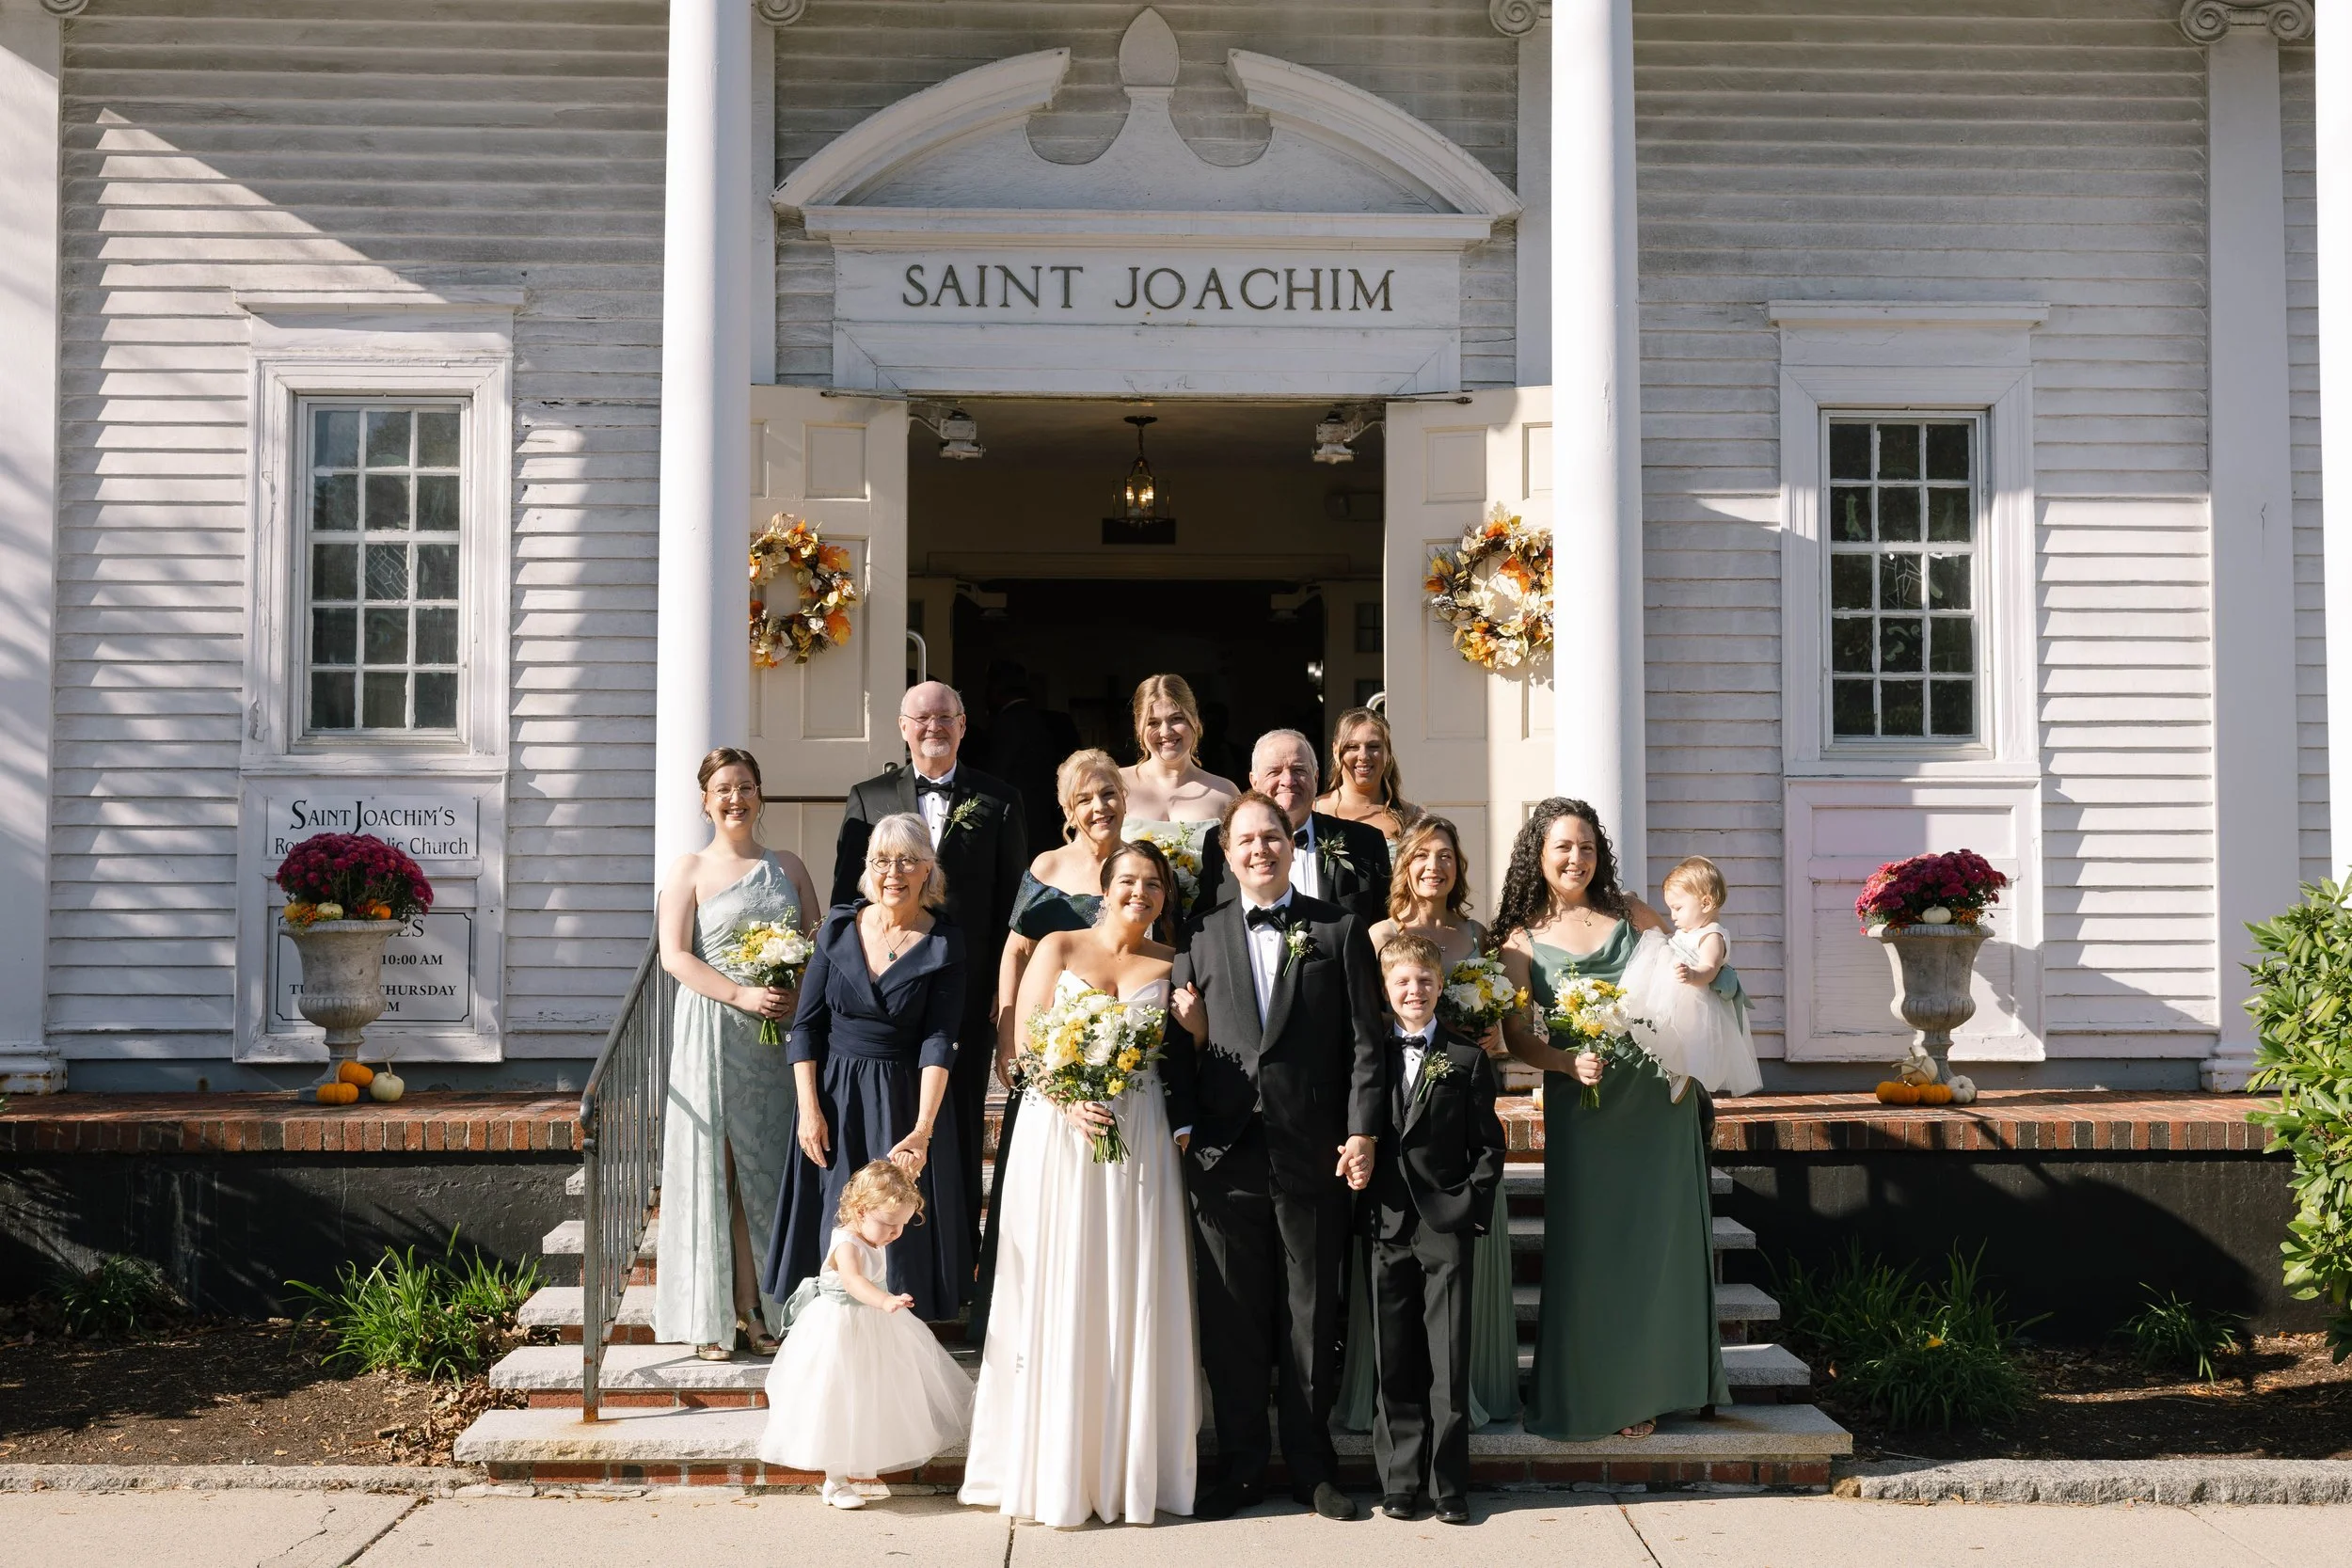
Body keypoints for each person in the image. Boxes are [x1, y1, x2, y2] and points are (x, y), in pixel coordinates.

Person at [960, 840, 1198, 1526]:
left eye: (1154, 884)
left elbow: (1193, 1051)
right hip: (1060, 1133)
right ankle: (1052, 1465)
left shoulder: (1170, 962)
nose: (1141, 893)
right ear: (1105, 884)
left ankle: (1125, 1467)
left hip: (1140, 1131)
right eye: (1129, 880)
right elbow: (1026, 1048)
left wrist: (1195, 1022)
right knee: (1060, 1280)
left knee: (1132, 1283)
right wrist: (1068, 1100)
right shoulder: (1058, 946)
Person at [1165, 791, 1384, 1521]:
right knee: (1231, 1321)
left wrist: (1361, 1130)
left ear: (1294, 846)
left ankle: (1312, 1467)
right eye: (1247, 840)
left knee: (1310, 1313)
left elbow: (1364, 1043)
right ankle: (1242, 1465)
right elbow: (1174, 1051)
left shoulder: (1339, 928)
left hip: (1312, 1150)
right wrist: (1186, 1126)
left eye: (1274, 837)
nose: (1261, 848)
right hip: (1223, 1155)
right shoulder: (1198, 935)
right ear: (1226, 854)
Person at [1494, 800, 1727, 1441]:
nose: (1577, 858)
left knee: (1657, 1241)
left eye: (1588, 847)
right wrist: (1566, 1063)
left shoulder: (1630, 910)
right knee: (1593, 1249)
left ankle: (1662, 1382)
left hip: (1658, 1100)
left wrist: (1694, 1040)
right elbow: (1516, 1036)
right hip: (1586, 1103)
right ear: (1538, 854)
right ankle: (1605, 1388)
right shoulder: (1520, 941)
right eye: (1564, 846)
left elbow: (1694, 970)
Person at [832, 681, 1026, 1263]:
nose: (933, 726)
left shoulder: (1001, 799)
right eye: (922, 717)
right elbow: (848, 901)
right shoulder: (867, 798)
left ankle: (952, 1264)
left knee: (957, 1125)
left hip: (963, 995)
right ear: (902, 726)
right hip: (887, 1000)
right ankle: (871, 1262)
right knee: (888, 1126)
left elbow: (1015, 907)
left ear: (964, 726)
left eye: (946, 716)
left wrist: (1001, 988)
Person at [1340, 816, 1518, 1428]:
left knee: (1456, 1281)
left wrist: (1489, 1033)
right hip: (1394, 1117)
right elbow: (1361, 1026)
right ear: (1405, 864)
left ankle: (1465, 1395)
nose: (1433, 867)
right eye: (1422, 856)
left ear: (1457, 867)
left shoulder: (1475, 934)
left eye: (1445, 856)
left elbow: (1498, 1032)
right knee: (1392, 1292)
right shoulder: (1378, 932)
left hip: (1457, 1125)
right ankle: (1388, 1404)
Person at [767, 813, 971, 1322]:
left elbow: (939, 1040)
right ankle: (828, 1330)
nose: (892, 872)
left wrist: (922, 1130)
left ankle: (893, 1334)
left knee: (892, 1223)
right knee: (837, 1217)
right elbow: (806, 1026)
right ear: (867, 868)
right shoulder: (838, 928)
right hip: (835, 1098)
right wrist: (809, 1109)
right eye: (881, 860)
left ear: (929, 870)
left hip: (903, 1100)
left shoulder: (946, 944)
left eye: (906, 860)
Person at [653, 747, 822, 1361]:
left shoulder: (789, 866)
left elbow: (814, 945)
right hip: (714, 1029)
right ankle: (710, 1314)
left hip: (774, 1041)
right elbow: (675, 955)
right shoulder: (689, 869)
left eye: (745, 786)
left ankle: (759, 1308)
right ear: (705, 799)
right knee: (715, 1171)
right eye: (723, 788)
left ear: (760, 794)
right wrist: (741, 993)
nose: (735, 798)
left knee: (765, 1174)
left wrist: (793, 995)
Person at [970, 750, 1127, 1343]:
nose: (1098, 807)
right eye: (1084, 798)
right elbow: (1014, 951)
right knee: (1035, 1191)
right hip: (1051, 1051)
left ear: (1124, 797)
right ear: (1067, 808)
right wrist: (1009, 1033)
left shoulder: (1143, 866)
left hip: (1121, 1053)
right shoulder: (1047, 865)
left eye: (1108, 793)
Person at [1361, 933, 1504, 1526]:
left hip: (1444, 1223)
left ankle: (1449, 1487)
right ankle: (1398, 1482)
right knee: (1394, 1359)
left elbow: (1489, 1148)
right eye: (1402, 982)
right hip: (1386, 1220)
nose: (1414, 991)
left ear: (1440, 984)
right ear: (1386, 988)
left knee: (1447, 1359)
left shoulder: (1467, 1059)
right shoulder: (1368, 1056)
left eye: (1424, 980)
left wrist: (1471, 1206)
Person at [756, 1160, 973, 1510]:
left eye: (901, 1226)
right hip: (839, 1328)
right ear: (860, 1210)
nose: (894, 1234)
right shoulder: (846, 1242)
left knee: (873, 1394)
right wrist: (885, 1300)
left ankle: (864, 1459)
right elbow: (855, 1282)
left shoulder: (874, 1232)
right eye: (889, 1225)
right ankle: (835, 1480)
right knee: (837, 1397)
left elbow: (888, 1179)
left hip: (872, 1329)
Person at [1195, 729, 1391, 922]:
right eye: (1275, 772)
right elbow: (1205, 923)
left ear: (1315, 778)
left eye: (1299, 770)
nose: (1288, 781)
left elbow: (1386, 922)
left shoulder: (1364, 842)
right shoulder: (1221, 842)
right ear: (1254, 782)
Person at [1620, 855, 1764, 1099]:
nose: (1673, 916)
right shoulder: (1688, 931)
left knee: (1687, 1043)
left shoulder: (1712, 935)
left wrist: (1693, 974)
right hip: (1673, 994)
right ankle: (1665, 1070)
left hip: (1694, 1000)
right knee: (1663, 1034)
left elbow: (1710, 967)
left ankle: (1683, 1076)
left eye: (1678, 908)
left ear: (1705, 903)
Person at [1117, 673, 1239, 921]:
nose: (1166, 731)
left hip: (1204, 928)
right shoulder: (1116, 786)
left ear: (1195, 721)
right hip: (1131, 928)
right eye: (1153, 722)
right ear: (1139, 729)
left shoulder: (1225, 794)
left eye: (1177, 719)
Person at [981, 659, 1077, 858]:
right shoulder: (1051, 722)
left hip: (1019, 825)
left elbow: (994, 778)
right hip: (1051, 823)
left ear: (996, 689)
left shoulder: (1005, 724)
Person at [1313, 707, 1420, 848]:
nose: (1363, 756)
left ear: (1387, 752)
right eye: (1352, 747)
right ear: (1335, 751)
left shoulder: (1412, 818)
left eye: (1373, 746)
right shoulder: (1313, 811)